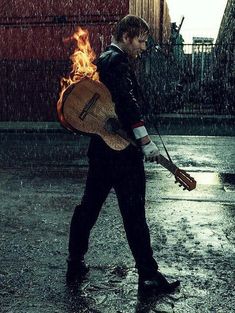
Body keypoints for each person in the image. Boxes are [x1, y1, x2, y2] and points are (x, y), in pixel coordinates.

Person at [66, 14, 180, 294]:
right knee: (134, 214)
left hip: (103, 151)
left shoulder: (103, 59)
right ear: (126, 37)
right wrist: (145, 141)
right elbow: (126, 104)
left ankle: (75, 262)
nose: (143, 47)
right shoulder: (117, 61)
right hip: (123, 153)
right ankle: (149, 277)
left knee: (89, 208)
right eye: (140, 41)